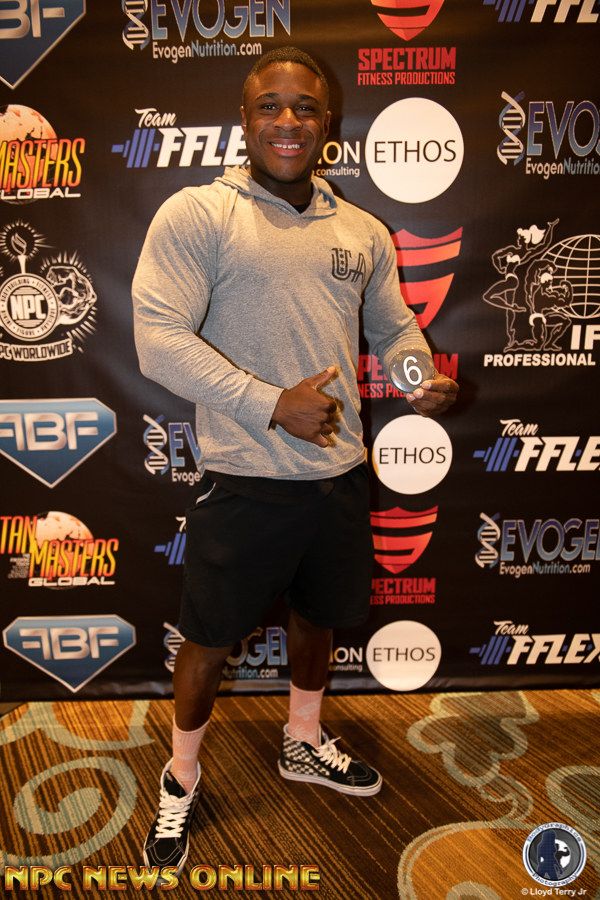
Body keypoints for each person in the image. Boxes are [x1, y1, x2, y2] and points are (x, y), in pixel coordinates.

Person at [132, 46, 458, 875]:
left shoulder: (362, 231)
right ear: (244, 120)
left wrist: (416, 381)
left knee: (319, 620)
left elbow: (393, 329)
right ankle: (181, 774)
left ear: (327, 125)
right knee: (208, 641)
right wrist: (271, 402)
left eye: (304, 108)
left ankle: (303, 740)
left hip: (338, 477)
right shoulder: (200, 215)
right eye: (270, 106)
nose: (288, 121)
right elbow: (157, 341)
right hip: (244, 479)